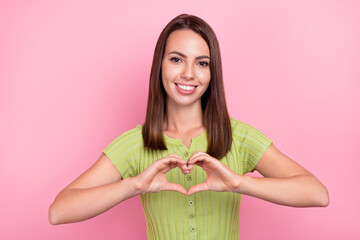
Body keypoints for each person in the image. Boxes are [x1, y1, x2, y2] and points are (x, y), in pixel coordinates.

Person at [49, 14, 329, 239]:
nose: (188, 73)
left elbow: (317, 193)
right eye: (176, 59)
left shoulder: (239, 136)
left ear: (211, 72)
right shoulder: (136, 143)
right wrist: (133, 186)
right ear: (160, 65)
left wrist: (239, 183)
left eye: (202, 63)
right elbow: (59, 211)